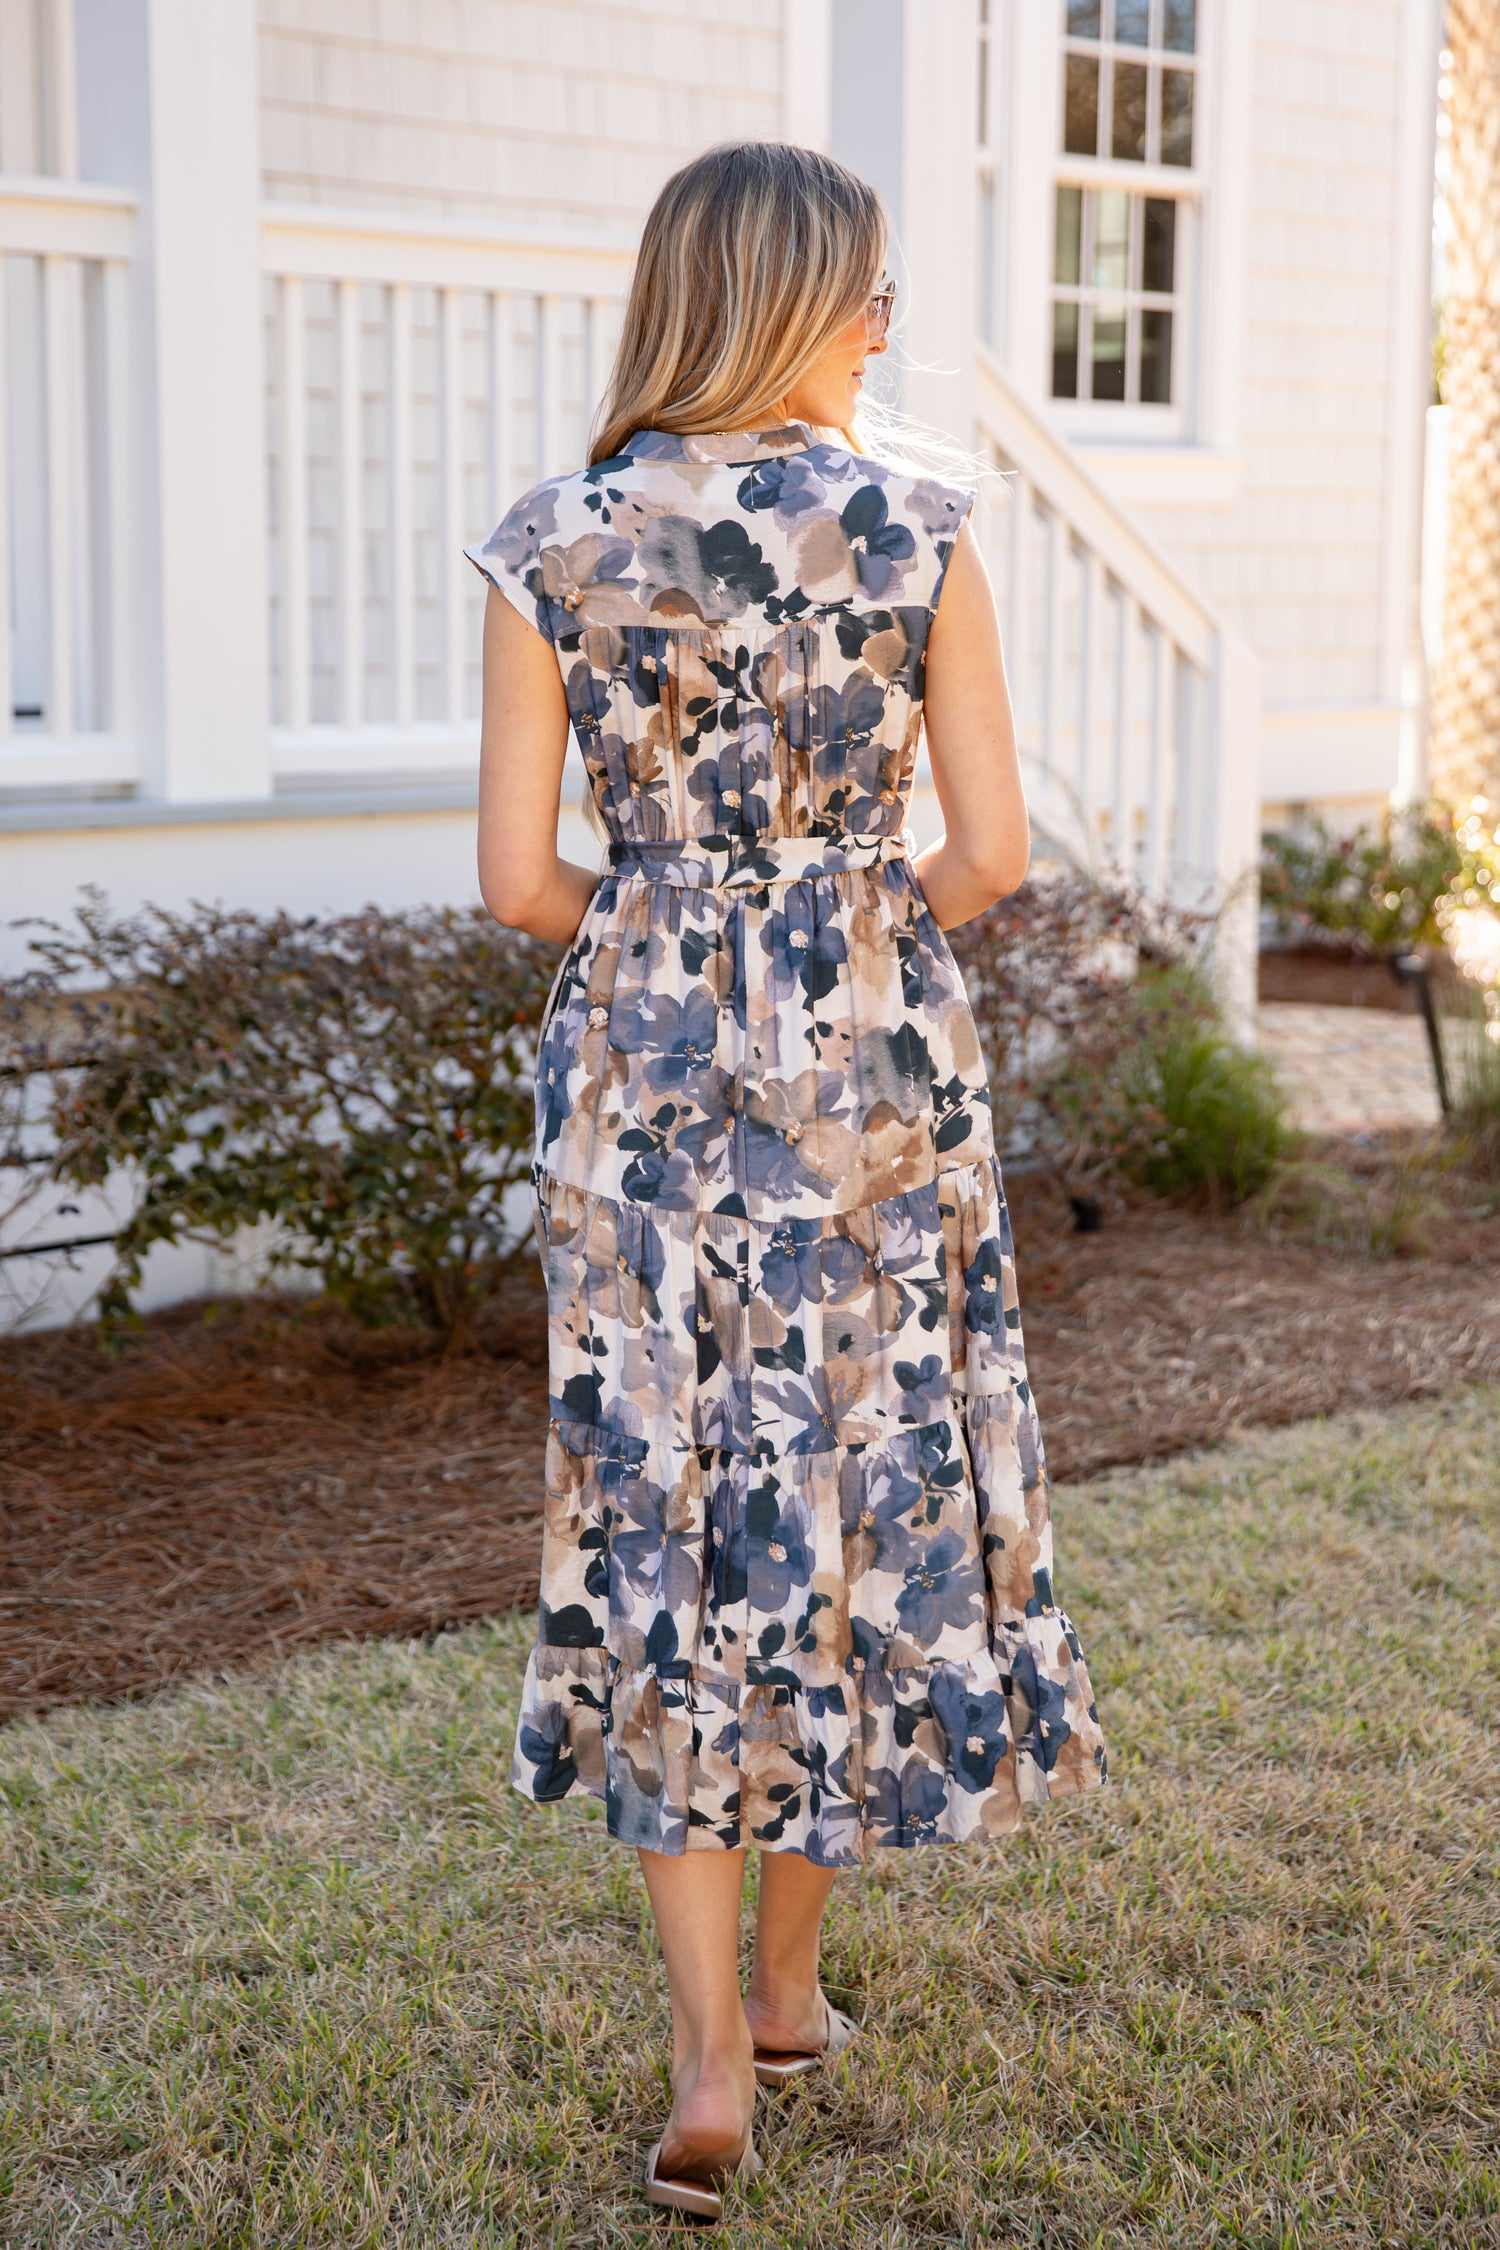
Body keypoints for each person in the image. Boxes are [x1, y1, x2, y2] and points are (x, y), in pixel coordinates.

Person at [466, 139, 1107, 2223]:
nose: (887, 329)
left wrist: (676, 947)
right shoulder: (913, 524)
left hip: (638, 1092)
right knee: (842, 1505)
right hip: (871, 1085)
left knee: (663, 1519)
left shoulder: (553, 538)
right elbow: (993, 855)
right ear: (816, 301)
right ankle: (796, 1996)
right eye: (880, 293)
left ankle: (701, 2057)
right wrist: (832, 949)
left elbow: (511, 884)